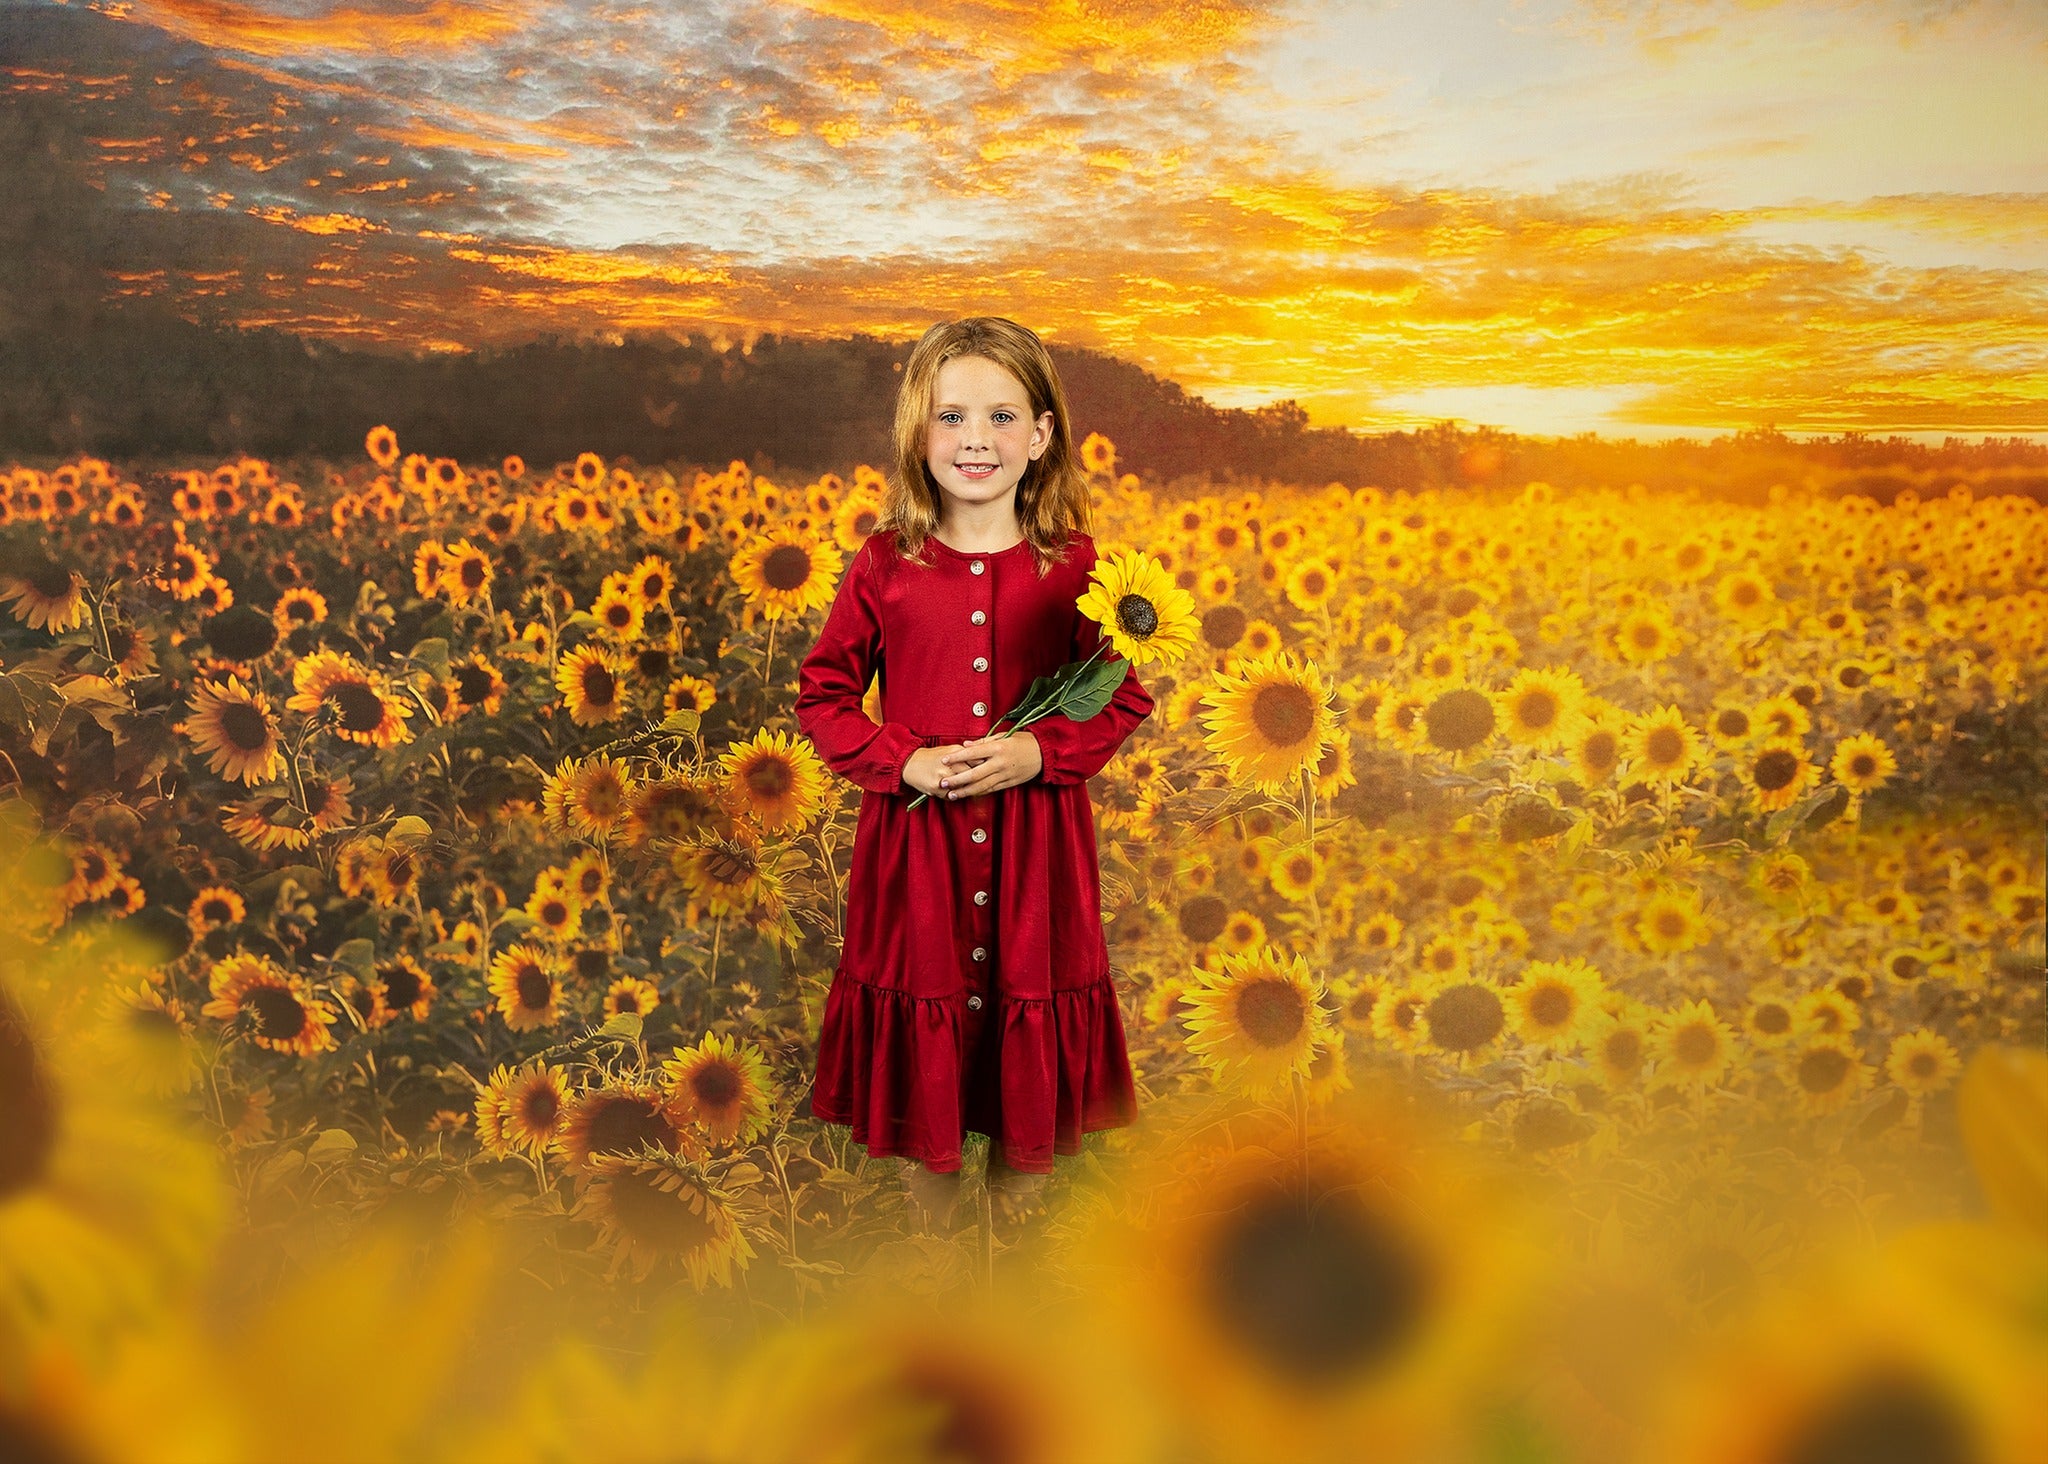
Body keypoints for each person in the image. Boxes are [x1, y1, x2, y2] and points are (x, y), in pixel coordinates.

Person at [793, 316, 1153, 1237]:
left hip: (1037, 861)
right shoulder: (886, 565)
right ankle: (938, 1257)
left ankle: (1015, 1258)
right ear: (921, 435)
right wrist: (900, 758)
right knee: (934, 1068)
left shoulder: (1079, 568)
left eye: (1001, 416)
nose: (976, 440)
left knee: (1022, 1070)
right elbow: (824, 696)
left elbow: (1121, 698)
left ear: (1041, 436)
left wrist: (1039, 753)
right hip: (921, 856)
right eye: (952, 417)